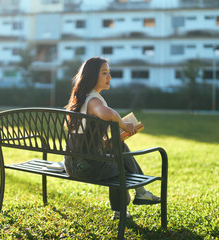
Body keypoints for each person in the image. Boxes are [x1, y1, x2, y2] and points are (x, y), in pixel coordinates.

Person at [64, 57, 160, 220]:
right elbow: (107, 113)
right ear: (92, 76)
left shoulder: (82, 98)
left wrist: (122, 135)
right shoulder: (93, 100)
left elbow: (96, 143)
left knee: (119, 147)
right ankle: (120, 211)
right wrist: (123, 124)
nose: (109, 77)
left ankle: (142, 192)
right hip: (85, 167)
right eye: (104, 73)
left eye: (109, 73)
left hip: (75, 163)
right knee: (120, 170)